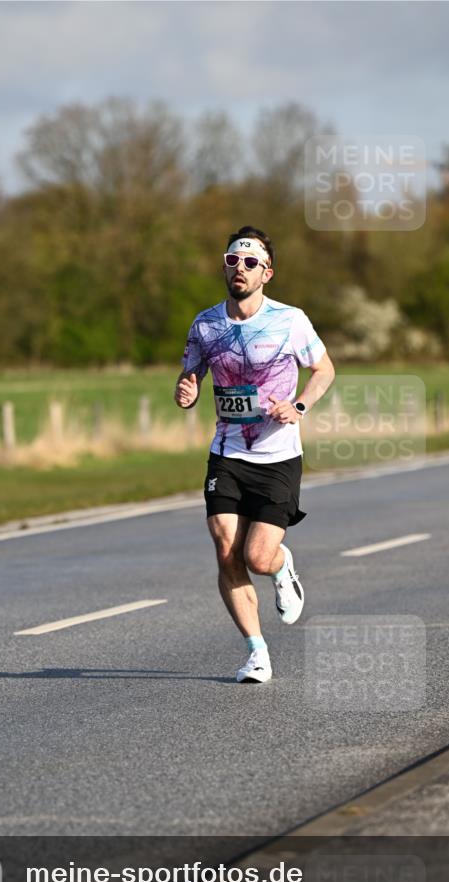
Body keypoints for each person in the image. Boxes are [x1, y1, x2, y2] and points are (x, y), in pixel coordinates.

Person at [174, 226, 335, 683]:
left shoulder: (290, 320)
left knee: (259, 556)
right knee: (226, 549)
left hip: (278, 456)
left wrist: (299, 405)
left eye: (249, 262)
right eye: (232, 261)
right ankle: (256, 651)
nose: (239, 269)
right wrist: (185, 391)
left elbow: (324, 369)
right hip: (226, 454)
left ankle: (283, 567)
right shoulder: (205, 324)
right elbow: (188, 381)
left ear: (267, 272)